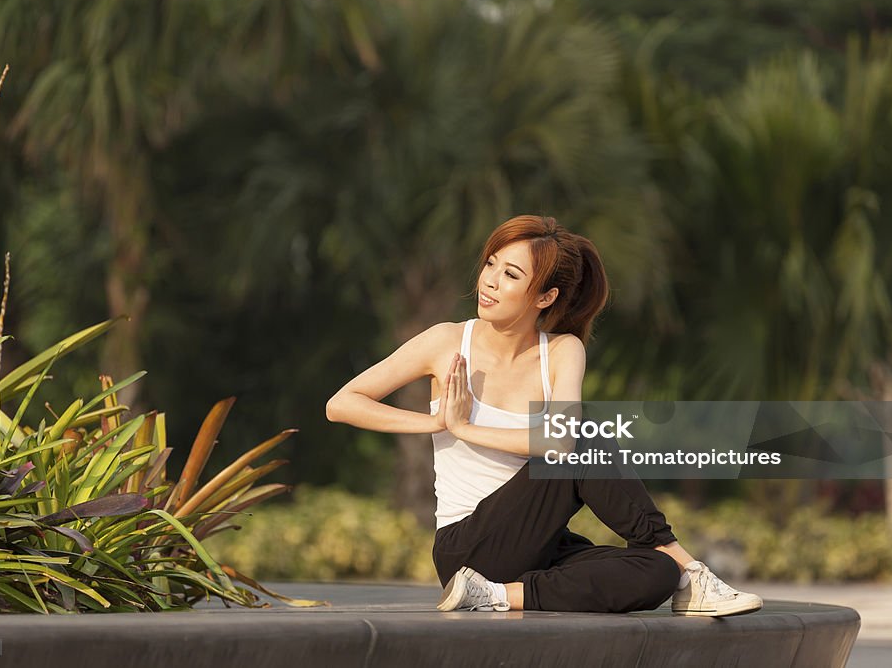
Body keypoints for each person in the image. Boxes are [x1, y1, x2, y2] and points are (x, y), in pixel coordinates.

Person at [326, 214, 762, 616]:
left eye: (510, 274)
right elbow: (342, 403)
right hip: (468, 548)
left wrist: (468, 427)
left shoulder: (561, 351)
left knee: (657, 573)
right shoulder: (446, 342)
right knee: (582, 440)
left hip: (538, 548)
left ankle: (498, 595)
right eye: (491, 264)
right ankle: (689, 566)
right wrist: (439, 423)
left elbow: (559, 442)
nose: (490, 281)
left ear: (545, 296)